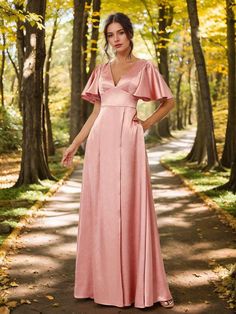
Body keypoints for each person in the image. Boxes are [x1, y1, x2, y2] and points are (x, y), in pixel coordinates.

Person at [61, 12, 175, 309]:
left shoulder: (144, 67)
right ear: (107, 39)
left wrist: (147, 123)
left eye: (120, 33)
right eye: (110, 35)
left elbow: (169, 101)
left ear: (129, 34)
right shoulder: (100, 70)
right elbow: (96, 113)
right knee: (102, 210)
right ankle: (100, 285)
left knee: (129, 207)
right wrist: (75, 144)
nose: (116, 39)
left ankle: (143, 287)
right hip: (99, 143)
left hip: (129, 140)